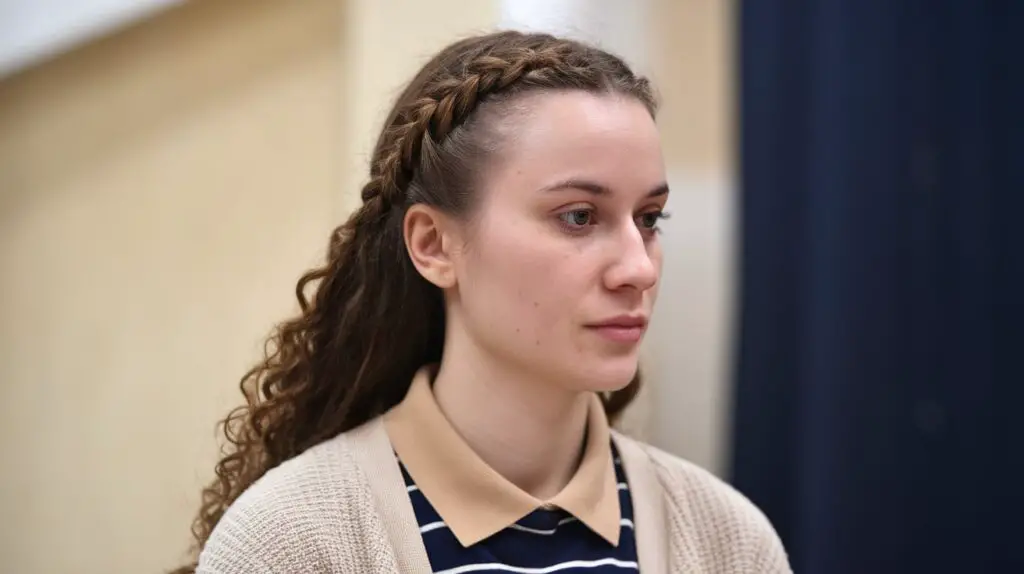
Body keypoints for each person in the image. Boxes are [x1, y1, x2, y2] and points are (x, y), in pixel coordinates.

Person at [175, 30, 790, 574]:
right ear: (434, 244)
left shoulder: (728, 542)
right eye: (578, 216)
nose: (637, 267)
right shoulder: (290, 546)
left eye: (650, 218)